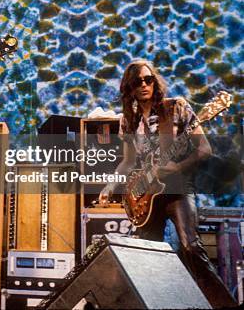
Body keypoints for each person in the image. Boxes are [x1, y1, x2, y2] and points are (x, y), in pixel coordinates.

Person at [99, 60, 236, 308]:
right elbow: (128, 163)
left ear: (155, 81)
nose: (143, 85)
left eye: (148, 79)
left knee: (190, 248)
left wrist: (178, 166)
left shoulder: (176, 108)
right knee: (146, 257)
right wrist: (110, 186)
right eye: (136, 82)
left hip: (178, 189)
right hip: (145, 197)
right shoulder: (127, 121)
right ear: (128, 88)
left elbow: (205, 149)